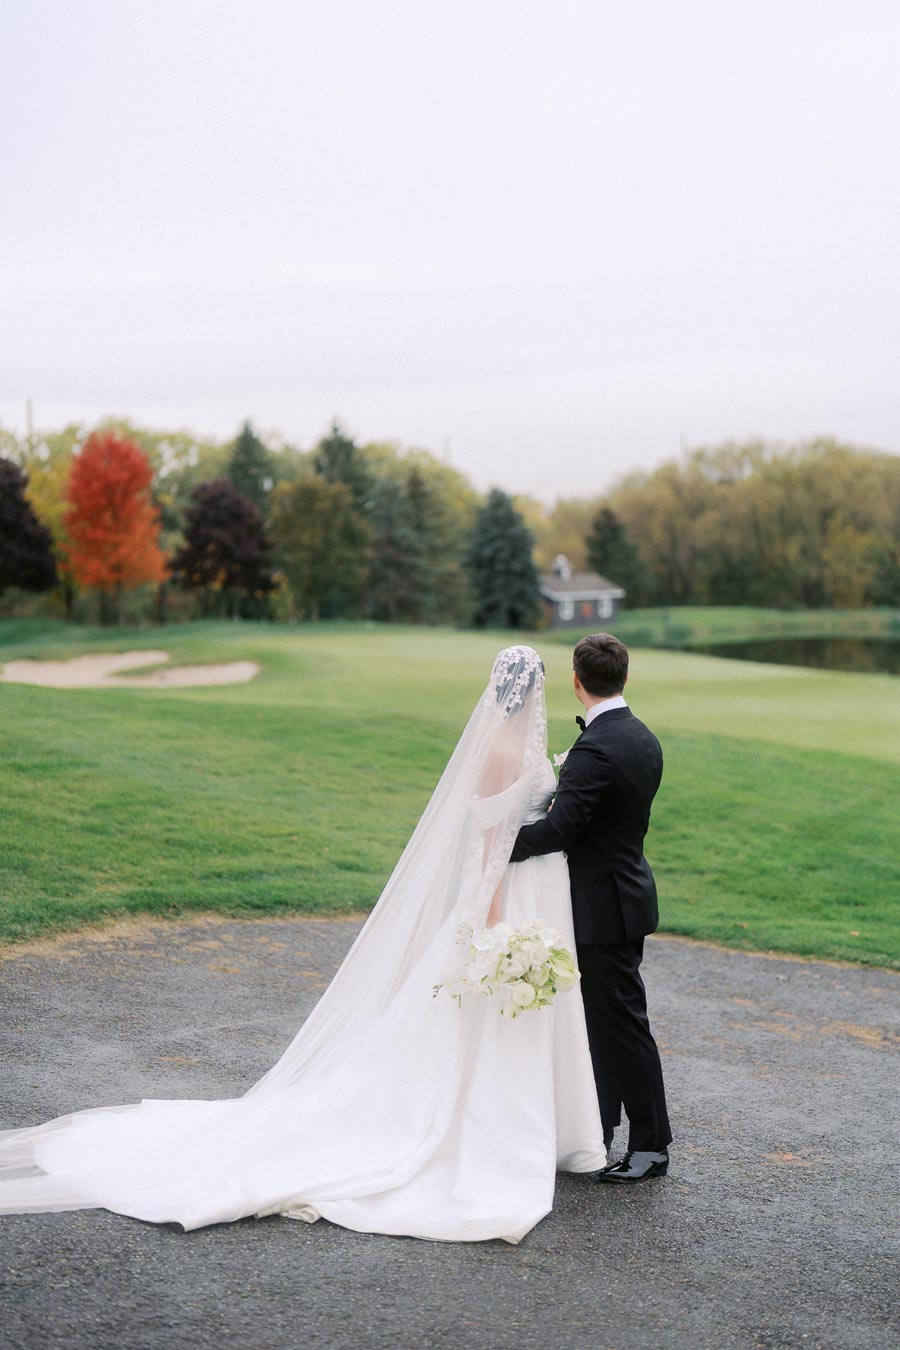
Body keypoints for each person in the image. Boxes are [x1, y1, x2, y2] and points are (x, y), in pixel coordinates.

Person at [0, 646, 606, 1243]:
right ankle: (486, 1130)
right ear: (526, 690)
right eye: (537, 686)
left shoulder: (517, 744)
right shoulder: (500, 749)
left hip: (531, 892)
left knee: (502, 1013)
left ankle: (521, 1128)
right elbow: (490, 843)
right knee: (478, 1010)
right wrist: (494, 925)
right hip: (503, 900)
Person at [510, 632, 671, 1183]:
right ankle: (598, 1128)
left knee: (623, 1027)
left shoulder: (596, 748)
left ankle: (651, 1146)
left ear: (577, 681)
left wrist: (497, 847)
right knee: (603, 1026)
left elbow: (560, 829)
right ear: (623, 677)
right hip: (625, 897)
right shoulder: (642, 736)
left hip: (603, 909)